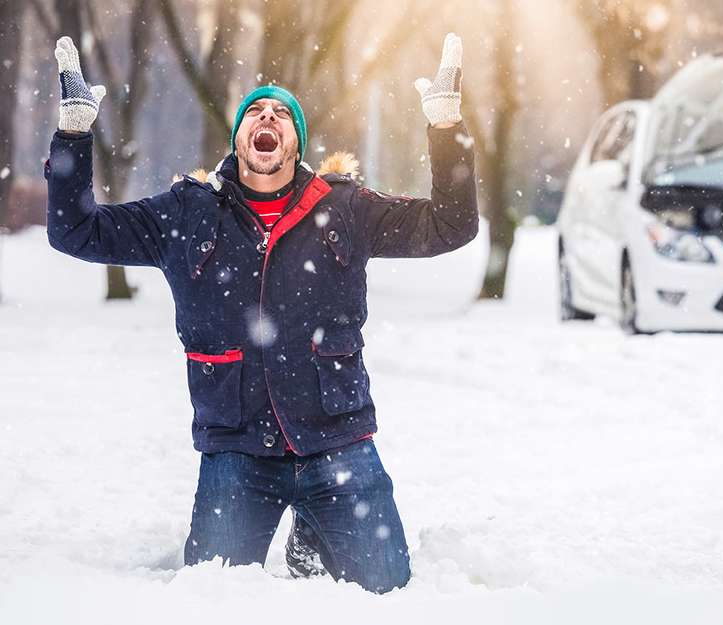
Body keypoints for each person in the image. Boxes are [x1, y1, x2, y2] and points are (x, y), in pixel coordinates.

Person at [45, 33, 477, 593]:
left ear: (295, 142)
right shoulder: (187, 213)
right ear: (240, 138)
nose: (266, 117)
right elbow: (75, 230)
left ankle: (314, 535)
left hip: (337, 443)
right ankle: (304, 526)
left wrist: (446, 129)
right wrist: (74, 134)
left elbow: (451, 224)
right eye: (255, 111)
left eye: (281, 114)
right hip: (238, 449)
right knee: (210, 596)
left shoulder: (342, 207)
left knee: (388, 589)